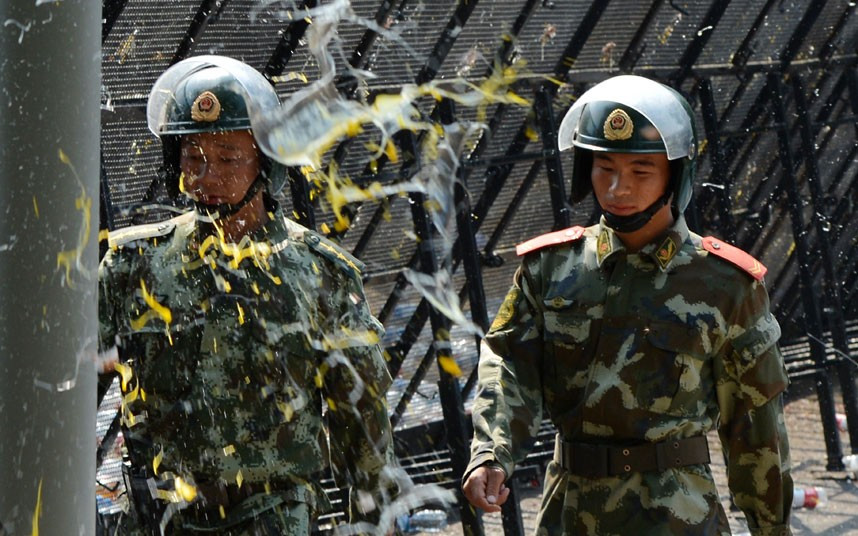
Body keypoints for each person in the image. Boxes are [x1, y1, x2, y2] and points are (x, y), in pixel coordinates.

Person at [462, 75, 793, 535]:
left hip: (676, 516)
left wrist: (771, 527)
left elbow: (756, 424)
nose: (618, 188)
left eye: (640, 171)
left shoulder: (724, 284)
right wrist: (491, 452)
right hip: (570, 514)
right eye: (604, 168)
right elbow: (509, 363)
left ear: (674, 175)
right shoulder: (551, 268)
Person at [99, 55, 401, 535]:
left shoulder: (319, 274)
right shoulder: (133, 265)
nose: (207, 176)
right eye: (193, 156)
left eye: (228, 158)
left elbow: (361, 422)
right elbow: (66, 392)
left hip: (271, 515)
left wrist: (374, 522)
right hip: (160, 516)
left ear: (267, 162)